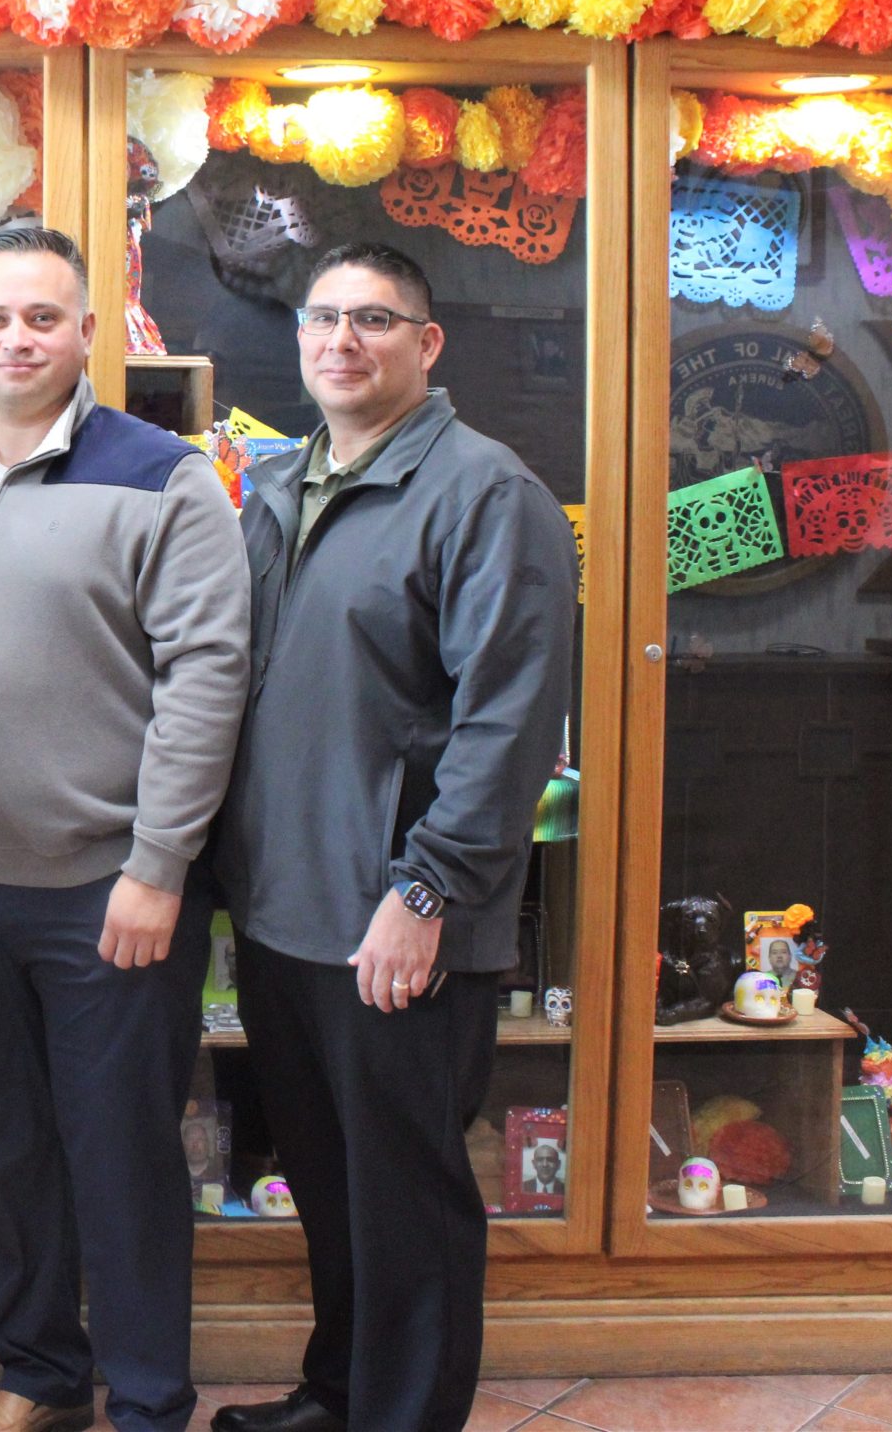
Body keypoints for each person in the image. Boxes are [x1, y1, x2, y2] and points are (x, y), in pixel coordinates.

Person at [0, 225, 251, 1432]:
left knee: (121, 1157)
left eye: (44, 317)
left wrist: (157, 866)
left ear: (89, 333)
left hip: (112, 893)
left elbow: (208, 677)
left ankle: (146, 1398)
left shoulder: (163, 476)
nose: (17, 338)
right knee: (11, 1147)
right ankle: (40, 1376)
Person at [204, 242, 577, 1432]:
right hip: (281, 909)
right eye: (323, 318)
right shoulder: (278, 483)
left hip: (394, 916)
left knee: (406, 1198)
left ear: (427, 343)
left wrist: (426, 893)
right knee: (329, 1182)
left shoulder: (485, 492)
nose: (342, 340)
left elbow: (505, 723)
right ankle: (339, 1392)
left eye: (374, 318)